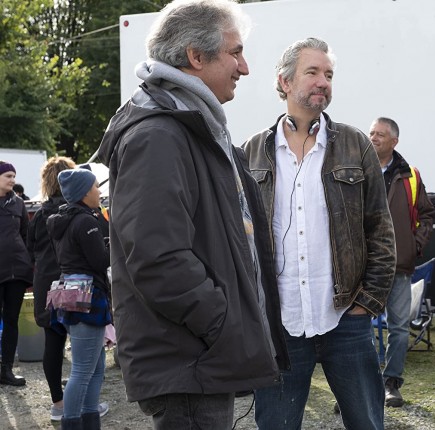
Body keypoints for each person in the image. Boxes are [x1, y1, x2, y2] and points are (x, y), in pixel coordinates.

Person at [96, 1, 289, 429]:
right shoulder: (159, 133)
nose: (245, 67)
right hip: (190, 361)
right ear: (195, 56)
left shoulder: (191, 126)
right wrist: (224, 323)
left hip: (197, 358)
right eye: (235, 53)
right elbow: (158, 259)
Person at [243, 37, 395, 430]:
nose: (323, 81)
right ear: (285, 81)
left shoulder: (355, 144)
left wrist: (367, 304)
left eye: (328, 74)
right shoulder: (253, 151)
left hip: (345, 318)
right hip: (280, 324)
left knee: (367, 423)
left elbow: (380, 229)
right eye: (312, 72)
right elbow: (240, 240)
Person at [27, 156, 109, 421]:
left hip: (61, 289)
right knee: (84, 369)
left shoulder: (52, 217)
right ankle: (72, 419)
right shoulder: (84, 220)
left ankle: (72, 411)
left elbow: (32, 249)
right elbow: (99, 260)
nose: (99, 191)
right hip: (86, 292)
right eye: (95, 186)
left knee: (87, 365)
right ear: (83, 191)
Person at [369, 117, 434, 406]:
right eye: (371, 133)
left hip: (399, 265)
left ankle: (391, 382)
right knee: (361, 329)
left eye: (380, 134)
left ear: (394, 141)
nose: (373, 138)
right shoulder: (358, 170)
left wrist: (414, 245)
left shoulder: (411, 176)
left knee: (398, 327)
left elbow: (427, 214)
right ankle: (365, 383)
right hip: (364, 266)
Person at [0, 160, 32, 386]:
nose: (12, 180)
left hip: (17, 271)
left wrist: (26, 259)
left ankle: (6, 370)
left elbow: (25, 235)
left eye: (14, 176)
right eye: (8, 176)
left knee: (11, 320)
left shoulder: (18, 203)